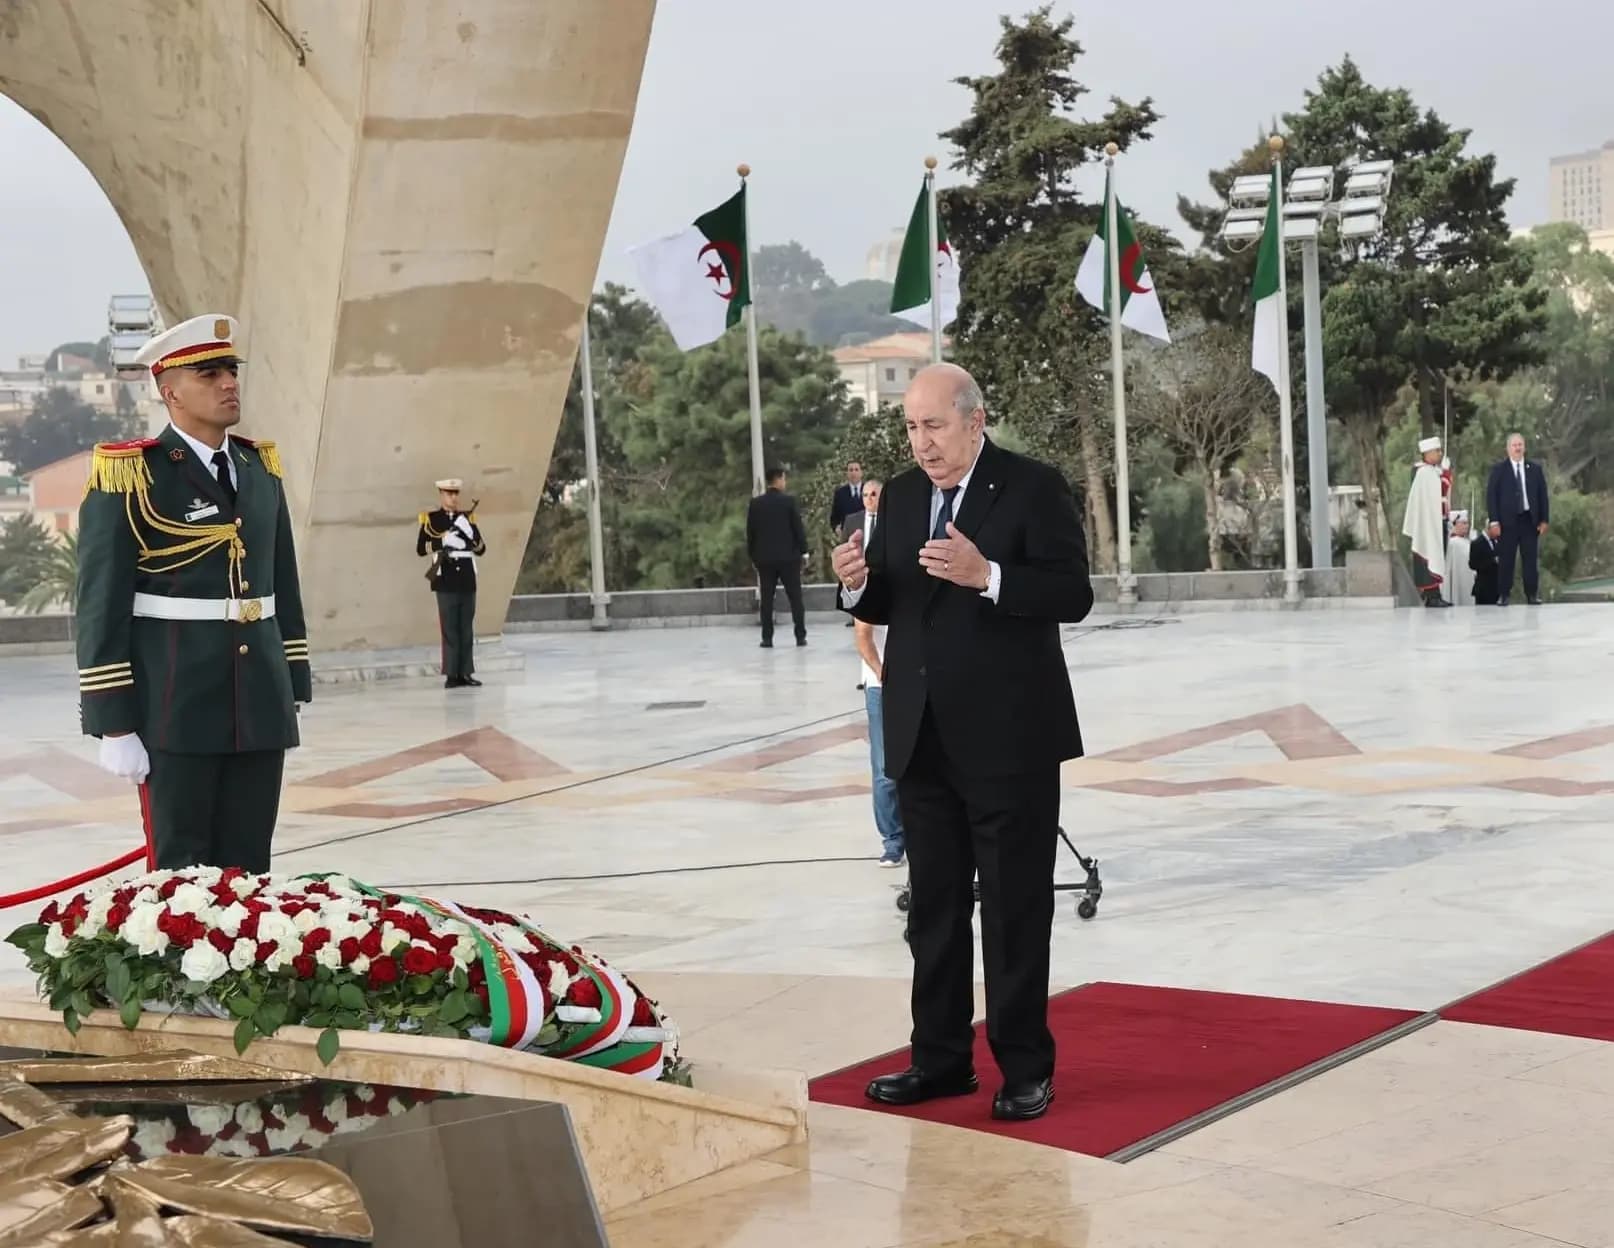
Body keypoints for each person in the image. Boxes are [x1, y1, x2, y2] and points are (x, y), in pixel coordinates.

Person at [831, 362, 1093, 1123]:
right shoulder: (905, 495)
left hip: (1011, 737)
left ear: (976, 421)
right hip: (923, 734)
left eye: (934, 426)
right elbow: (895, 597)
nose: (921, 443)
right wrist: (854, 584)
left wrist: (993, 576)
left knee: (1015, 911)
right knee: (933, 913)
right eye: (911, 427)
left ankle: (1024, 1070)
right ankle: (940, 1061)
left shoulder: (1033, 486)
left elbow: (1072, 594)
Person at [75, 313, 310, 872]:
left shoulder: (259, 468)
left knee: (251, 867)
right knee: (182, 872)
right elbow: (100, 605)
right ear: (170, 391)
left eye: (231, 370)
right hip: (174, 703)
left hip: (258, 700)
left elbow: (283, 584)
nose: (229, 383)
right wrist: (114, 722)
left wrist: (291, 680)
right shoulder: (133, 474)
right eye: (209, 374)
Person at [848, 478, 904, 867]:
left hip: (914, 681)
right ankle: (892, 841)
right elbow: (863, 636)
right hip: (882, 684)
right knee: (886, 770)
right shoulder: (874, 575)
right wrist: (885, 676)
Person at [417, 478, 487, 688]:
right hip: (445, 578)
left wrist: (468, 531)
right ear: (441, 495)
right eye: (449, 493)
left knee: (466, 628)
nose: (453, 497)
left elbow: (481, 549)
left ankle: (465, 673)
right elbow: (421, 548)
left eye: (456, 494)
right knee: (449, 628)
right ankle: (451, 674)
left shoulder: (467, 518)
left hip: (466, 578)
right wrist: (443, 541)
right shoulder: (431, 519)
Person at [746, 466, 808, 648]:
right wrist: (804, 551)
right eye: (784, 478)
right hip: (789, 559)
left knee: (767, 600)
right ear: (779, 479)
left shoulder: (756, 504)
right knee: (795, 598)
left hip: (765, 560)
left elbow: (751, 533)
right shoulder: (789, 502)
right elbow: (798, 529)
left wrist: (754, 556)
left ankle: (767, 638)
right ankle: (800, 635)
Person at [1485, 433, 1549, 606]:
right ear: (1508, 448)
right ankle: (1504, 595)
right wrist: (1494, 521)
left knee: (1530, 560)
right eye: (1514, 445)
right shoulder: (1499, 470)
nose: (1518, 448)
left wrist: (1544, 519)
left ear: (1524, 447)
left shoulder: (1535, 469)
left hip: (1529, 521)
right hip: (1507, 523)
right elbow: (1491, 496)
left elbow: (1542, 495)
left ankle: (1532, 595)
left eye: (1520, 444)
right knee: (1506, 560)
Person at [1401, 435, 1451, 608]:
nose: (1440, 453)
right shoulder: (1423, 472)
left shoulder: (1432, 471)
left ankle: (1435, 592)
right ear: (1428, 453)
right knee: (1428, 556)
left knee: (1438, 554)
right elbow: (1437, 492)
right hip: (1428, 523)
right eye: (1437, 451)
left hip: (1438, 521)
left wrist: (1444, 474)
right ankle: (1430, 594)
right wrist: (1445, 476)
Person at [1444, 511, 1475, 606]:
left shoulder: (1468, 542)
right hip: (1457, 582)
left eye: (1467, 523)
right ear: (1455, 524)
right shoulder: (1452, 543)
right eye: (1464, 523)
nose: (1467, 526)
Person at [1470, 519, 1502, 606]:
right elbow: (1473, 564)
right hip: (1483, 588)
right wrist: (1492, 561)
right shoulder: (1477, 543)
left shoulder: (1498, 542)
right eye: (1497, 528)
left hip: (1497, 587)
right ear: (1489, 528)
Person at [829, 460, 865, 533]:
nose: (853, 473)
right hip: (847, 536)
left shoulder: (869, 490)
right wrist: (836, 528)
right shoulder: (840, 493)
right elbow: (834, 517)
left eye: (856, 470)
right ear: (847, 473)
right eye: (851, 470)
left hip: (866, 534)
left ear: (861, 473)